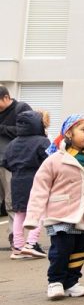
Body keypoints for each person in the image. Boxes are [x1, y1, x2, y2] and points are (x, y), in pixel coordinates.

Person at [24, 115, 84, 300]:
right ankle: (55, 281)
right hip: (60, 214)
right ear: (69, 133)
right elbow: (40, 189)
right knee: (61, 249)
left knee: (81, 249)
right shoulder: (54, 160)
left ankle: (72, 282)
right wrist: (33, 217)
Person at [2, 110, 50, 259]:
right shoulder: (42, 141)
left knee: (19, 213)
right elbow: (50, 160)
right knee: (39, 212)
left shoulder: (13, 143)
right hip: (36, 179)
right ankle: (31, 244)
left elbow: (5, 162)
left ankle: (17, 247)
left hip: (16, 180)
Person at [0, 85, 32, 236]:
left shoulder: (21, 108)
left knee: (11, 201)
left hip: (11, 162)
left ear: (6, 97)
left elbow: (28, 130)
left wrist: (2, 128)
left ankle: (15, 236)